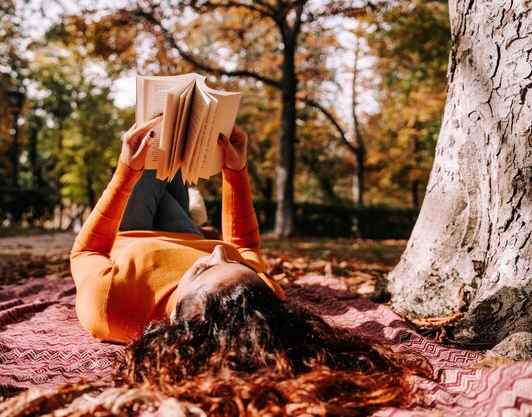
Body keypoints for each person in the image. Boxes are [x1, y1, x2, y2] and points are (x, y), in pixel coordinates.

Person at [70, 117, 429, 416]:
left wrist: (125, 172)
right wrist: (236, 170)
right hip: (186, 233)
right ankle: (196, 219)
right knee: (172, 158)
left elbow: (85, 252)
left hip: (129, 230)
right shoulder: (257, 292)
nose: (217, 254)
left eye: (203, 270)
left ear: (183, 323)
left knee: (153, 151)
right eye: (235, 264)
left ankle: (190, 208)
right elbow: (244, 245)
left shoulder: (110, 306)